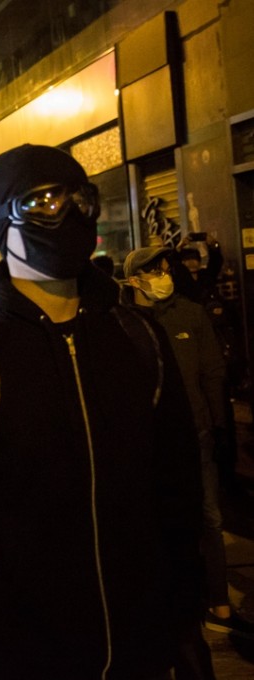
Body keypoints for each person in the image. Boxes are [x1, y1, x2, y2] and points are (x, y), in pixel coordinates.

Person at [0, 144, 204, 679]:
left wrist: (182, 621)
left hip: (141, 647)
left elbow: (178, 491)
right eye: (41, 201)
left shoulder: (139, 338)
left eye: (78, 196)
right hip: (22, 656)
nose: (66, 212)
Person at [122, 247, 251, 644]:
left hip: (195, 438)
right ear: (133, 279)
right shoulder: (121, 323)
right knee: (156, 522)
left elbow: (212, 374)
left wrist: (218, 427)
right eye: (153, 270)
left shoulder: (191, 315)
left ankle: (218, 605)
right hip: (147, 444)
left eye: (165, 268)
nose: (164, 275)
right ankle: (168, 601)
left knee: (208, 519)